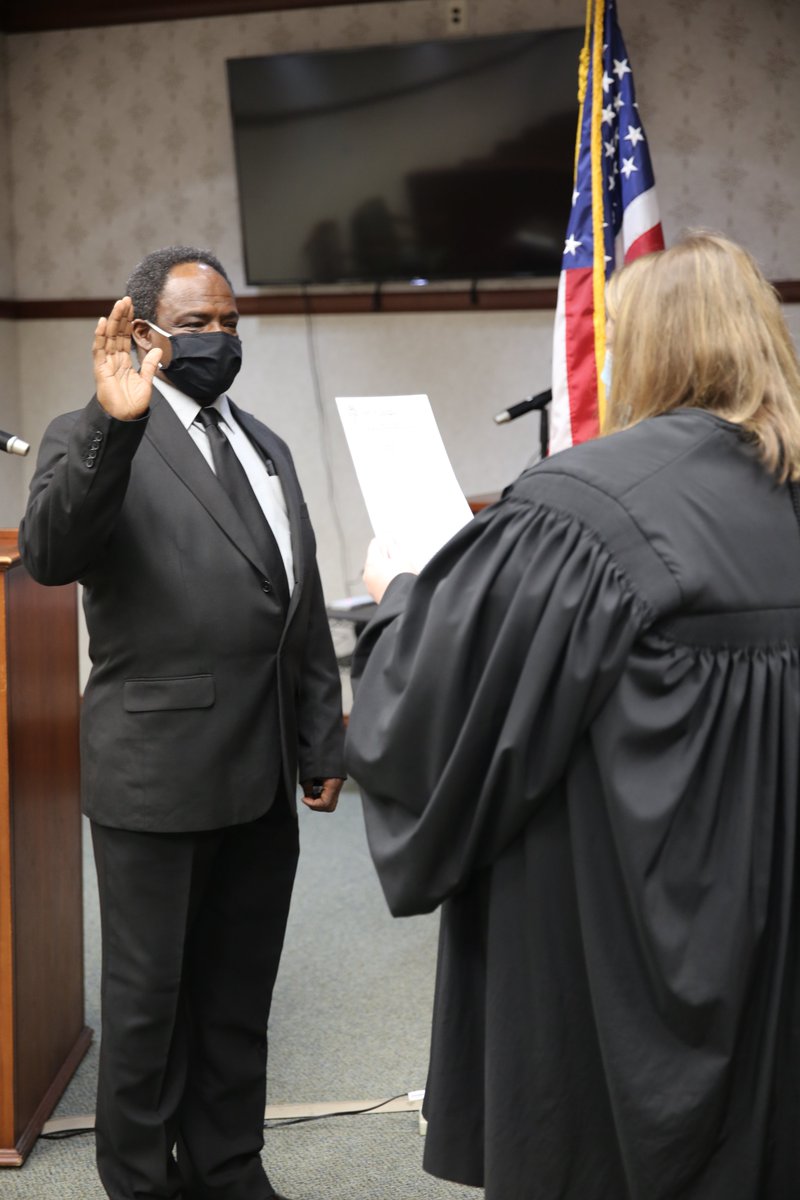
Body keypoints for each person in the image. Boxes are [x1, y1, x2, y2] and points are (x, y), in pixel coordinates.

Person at [344, 232, 800, 1200]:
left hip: (615, 944)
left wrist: (394, 600)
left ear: (641, 349)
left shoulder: (583, 510)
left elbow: (440, 708)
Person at [19, 246, 346, 1200]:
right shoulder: (93, 434)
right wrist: (113, 428)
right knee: (148, 1011)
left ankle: (229, 1168)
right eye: (197, 324)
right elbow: (49, 552)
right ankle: (141, 1185)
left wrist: (321, 733)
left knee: (238, 1001)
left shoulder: (268, 446)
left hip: (261, 775)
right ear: (145, 329)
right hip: (155, 776)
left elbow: (300, 601)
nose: (219, 339)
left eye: (231, 322)